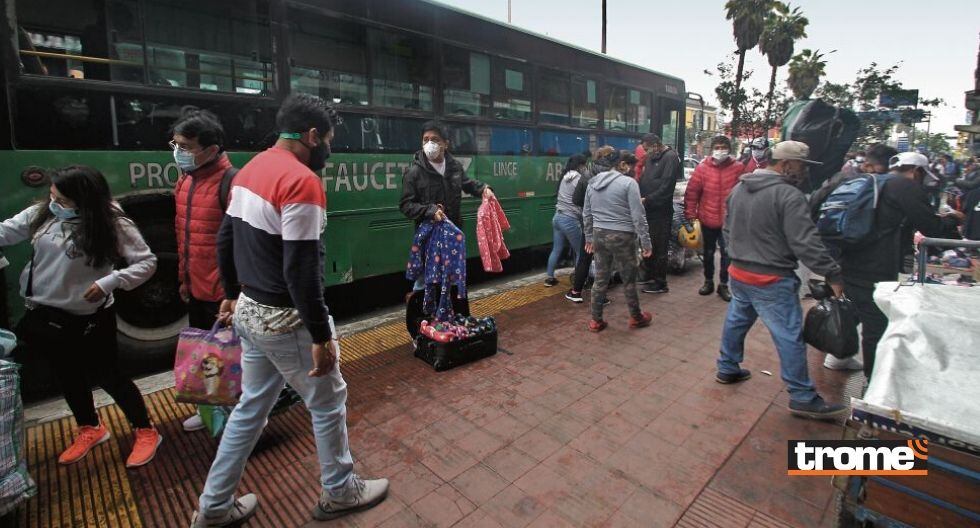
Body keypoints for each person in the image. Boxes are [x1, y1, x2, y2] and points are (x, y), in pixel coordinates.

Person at [191, 94, 388, 526]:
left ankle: (214, 506)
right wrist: (320, 337)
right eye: (329, 140)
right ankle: (341, 490)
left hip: (249, 311)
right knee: (327, 400)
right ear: (311, 136)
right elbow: (302, 270)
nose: (328, 150)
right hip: (285, 318)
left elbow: (225, 238)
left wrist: (229, 293)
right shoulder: (301, 182)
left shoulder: (250, 169)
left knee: (250, 408)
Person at [2, 166, 161, 466]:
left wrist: (109, 282)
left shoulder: (112, 223)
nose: (54, 204)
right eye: (52, 196)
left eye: (62, 200)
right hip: (46, 313)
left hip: (90, 316)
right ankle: (90, 428)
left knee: (109, 375)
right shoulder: (43, 215)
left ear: (85, 200)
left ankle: (145, 429)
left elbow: (146, 263)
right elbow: (7, 231)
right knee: (67, 373)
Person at [716, 141, 848, 419]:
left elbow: (727, 231)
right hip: (771, 278)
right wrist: (832, 273)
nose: (803, 172)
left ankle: (727, 367)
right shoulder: (789, 196)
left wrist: (740, 255)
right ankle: (802, 396)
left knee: (737, 321)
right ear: (786, 164)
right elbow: (806, 243)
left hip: (739, 273)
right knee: (788, 335)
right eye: (801, 165)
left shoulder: (739, 189)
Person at [839, 149, 962, 379]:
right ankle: (874, 381)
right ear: (916, 171)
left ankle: (838, 356)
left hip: (848, 255)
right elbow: (930, 226)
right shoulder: (904, 187)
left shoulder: (864, 180)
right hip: (876, 263)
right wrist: (952, 223)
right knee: (876, 322)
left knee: (855, 307)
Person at [171, 109, 238, 432]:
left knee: (230, 358)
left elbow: (241, 245)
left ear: (211, 150)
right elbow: (186, 238)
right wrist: (184, 279)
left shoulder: (230, 183)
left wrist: (233, 292)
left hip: (222, 292)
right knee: (204, 351)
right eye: (176, 144)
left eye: (186, 146)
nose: (179, 152)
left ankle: (236, 420)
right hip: (196, 286)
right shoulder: (185, 181)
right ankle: (210, 408)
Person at [399, 121, 493, 292]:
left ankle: (447, 315)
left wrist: (483, 189)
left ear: (445, 144)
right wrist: (430, 210)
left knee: (451, 281)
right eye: (425, 139)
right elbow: (406, 205)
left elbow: (467, 184)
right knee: (424, 282)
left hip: (452, 236)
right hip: (429, 239)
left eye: (434, 139)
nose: (429, 144)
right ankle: (421, 315)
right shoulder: (414, 172)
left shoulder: (454, 166)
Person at [583, 150, 653, 332]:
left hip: (599, 235)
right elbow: (638, 216)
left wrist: (589, 237)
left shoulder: (592, 184)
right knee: (628, 279)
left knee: (600, 279)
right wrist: (646, 242)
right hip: (623, 236)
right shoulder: (629, 183)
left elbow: (587, 214)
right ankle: (636, 317)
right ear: (620, 165)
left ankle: (596, 320)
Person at [683, 136, 744, 301]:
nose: (720, 150)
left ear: (729, 149)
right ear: (712, 150)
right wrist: (690, 215)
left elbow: (745, 194)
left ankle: (723, 284)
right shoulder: (702, 168)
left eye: (723, 147)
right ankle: (708, 281)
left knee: (727, 254)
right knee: (708, 253)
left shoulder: (738, 168)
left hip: (729, 221)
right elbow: (692, 193)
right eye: (717, 147)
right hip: (707, 219)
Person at [565, 146, 615, 303]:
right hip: (608, 223)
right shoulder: (614, 175)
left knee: (584, 258)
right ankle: (602, 297)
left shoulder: (587, 173)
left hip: (590, 222)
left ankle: (576, 292)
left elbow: (576, 200)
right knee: (604, 260)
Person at [638, 134, 681, 294]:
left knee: (659, 247)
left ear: (656, 145)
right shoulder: (651, 158)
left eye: (647, 149)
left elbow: (667, 187)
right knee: (648, 245)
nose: (646, 152)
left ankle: (660, 283)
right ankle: (649, 276)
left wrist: (647, 199)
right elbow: (645, 179)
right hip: (647, 210)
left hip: (661, 212)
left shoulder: (670, 157)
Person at [545, 155, 587, 286]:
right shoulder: (579, 179)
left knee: (556, 249)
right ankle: (580, 280)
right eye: (584, 165)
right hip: (569, 219)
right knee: (580, 251)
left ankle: (549, 278)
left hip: (557, 217)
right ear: (580, 165)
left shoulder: (565, 176)